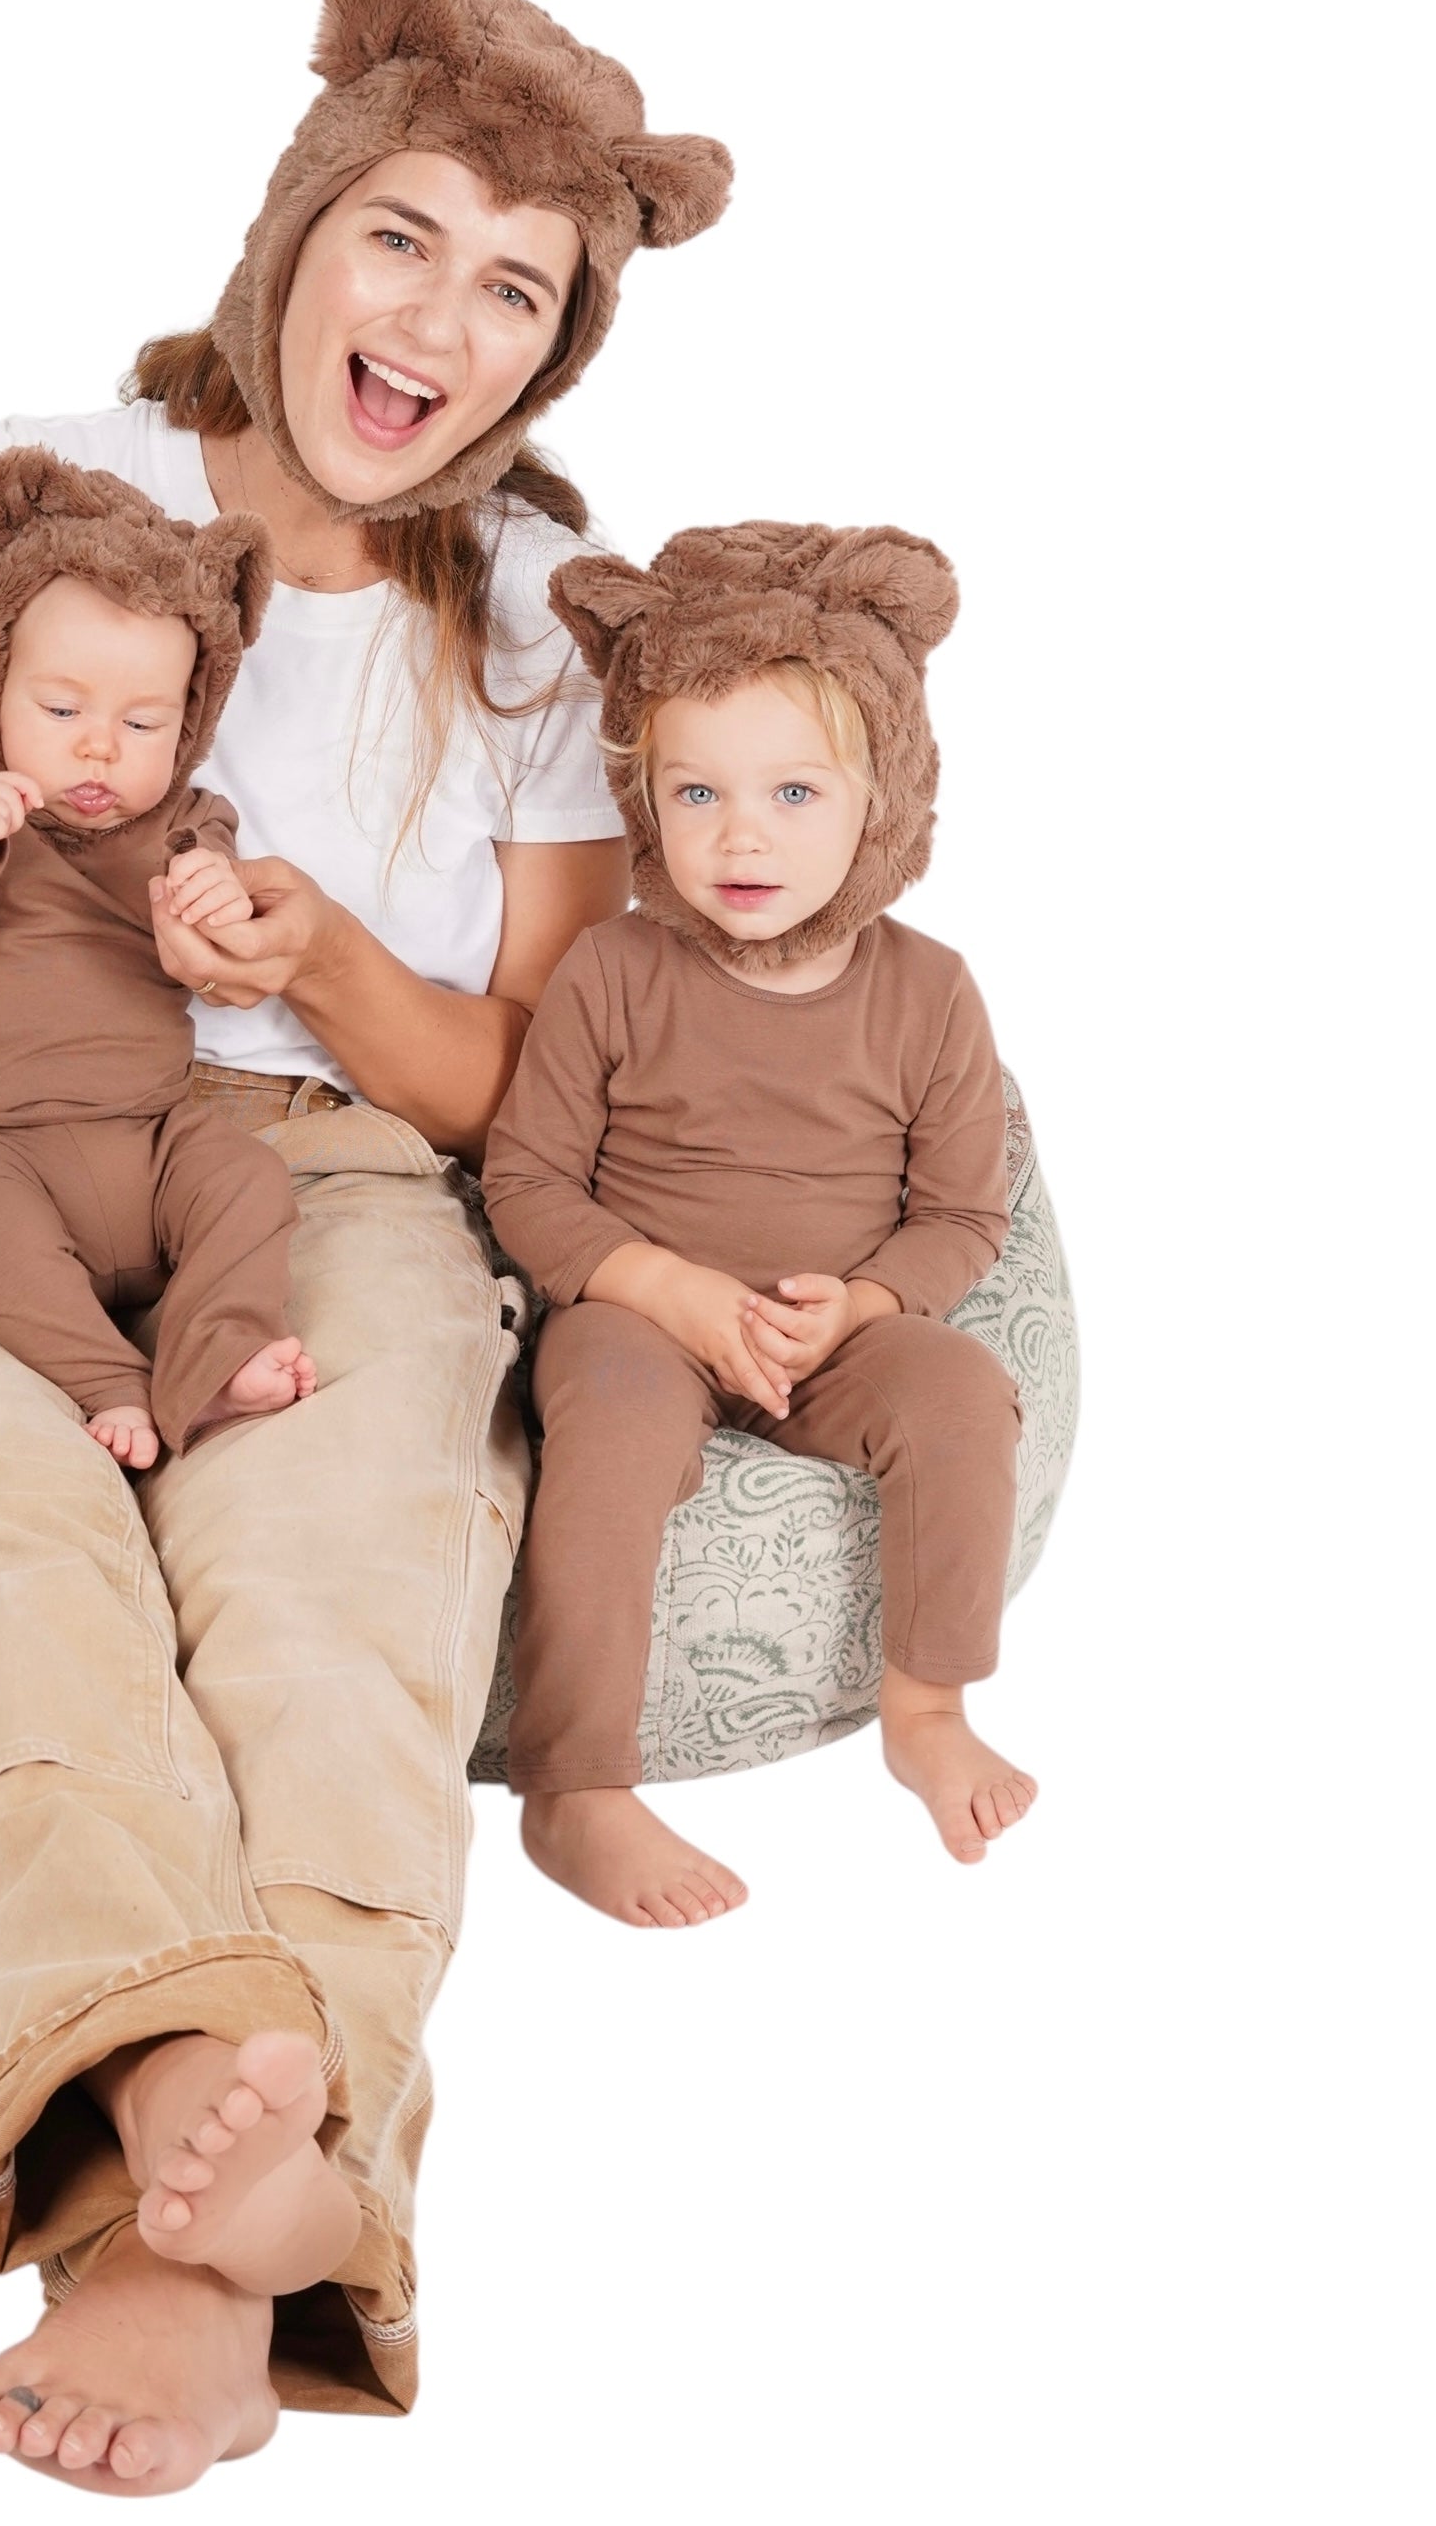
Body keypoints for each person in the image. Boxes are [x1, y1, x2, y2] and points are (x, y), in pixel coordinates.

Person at [0, 0, 731, 2490]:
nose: (441, 318)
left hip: (334, 1167)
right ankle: (209, 2143)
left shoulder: (524, 642)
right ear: (291, 233)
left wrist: (332, 968)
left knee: (342, 1563)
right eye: (403, 236)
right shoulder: (20, 486)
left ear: (553, 353)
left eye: (519, 288)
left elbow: (527, 1076)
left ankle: (162, 2211)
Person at [481, 520, 1038, 1932]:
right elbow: (528, 1180)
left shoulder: (927, 991)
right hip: (642, 1322)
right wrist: (656, 1287)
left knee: (965, 1390)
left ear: (879, 801)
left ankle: (924, 1702)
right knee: (601, 1426)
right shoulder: (609, 970)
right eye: (696, 791)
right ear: (644, 801)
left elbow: (964, 1207)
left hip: (827, 1326)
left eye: (793, 790)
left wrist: (862, 1305)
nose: (741, 834)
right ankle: (575, 1779)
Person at [0, 445, 314, 1468]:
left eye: (142, 722)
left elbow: (224, 907)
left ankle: (212, 1352)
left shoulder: (184, 821)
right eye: (61, 711)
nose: (98, 750)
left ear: (189, 722)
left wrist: (214, 897)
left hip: (151, 1138)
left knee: (251, 1184)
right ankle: (103, 1378)